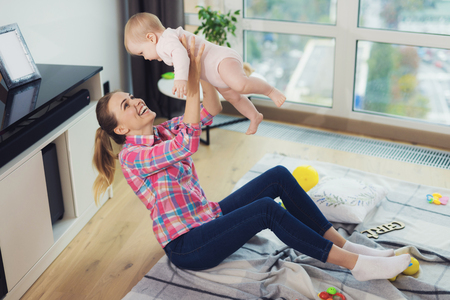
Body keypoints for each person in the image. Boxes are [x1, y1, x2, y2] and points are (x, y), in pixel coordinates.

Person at [92, 35, 411, 282]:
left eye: (131, 96)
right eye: (126, 105)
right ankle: (356, 265)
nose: (135, 101)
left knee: (279, 176)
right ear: (120, 128)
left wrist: (200, 67)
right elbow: (187, 146)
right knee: (265, 211)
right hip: (188, 246)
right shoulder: (133, 157)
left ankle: (346, 246)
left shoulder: (163, 131)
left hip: (208, 217)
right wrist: (188, 75)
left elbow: (210, 110)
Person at [124, 12, 286, 135]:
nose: (145, 57)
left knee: (240, 85)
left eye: (141, 52)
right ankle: (254, 116)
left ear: (151, 38)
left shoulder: (166, 40)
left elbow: (180, 54)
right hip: (215, 74)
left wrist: (180, 79)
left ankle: (270, 90)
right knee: (233, 97)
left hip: (221, 60)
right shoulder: (166, 44)